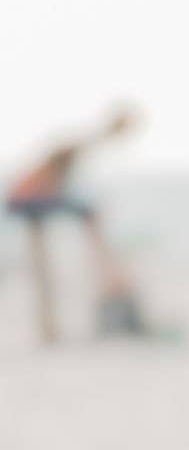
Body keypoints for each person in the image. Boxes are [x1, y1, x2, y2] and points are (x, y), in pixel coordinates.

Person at [5, 102, 141, 346]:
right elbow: (55, 183)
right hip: (29, 199)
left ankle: (51, 327)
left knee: (85, 216)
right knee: (90, 212)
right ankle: (112, 279)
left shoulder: (69, 151)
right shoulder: (74, 148)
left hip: (28, 199)